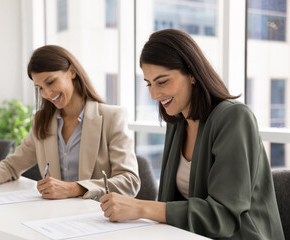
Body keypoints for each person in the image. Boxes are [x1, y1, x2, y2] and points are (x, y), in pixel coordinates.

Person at [100, 29, 284, 240]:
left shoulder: (234, 118)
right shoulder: (177, 122)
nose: (153, 94)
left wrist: (141, 207)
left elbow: (222, 216)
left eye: (162, 81)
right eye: (149, 84)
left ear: (192, 74)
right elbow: (173, 203)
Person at [0, 45, 140, 201]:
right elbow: (13, 165)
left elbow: (130, 182)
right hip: (54, 217)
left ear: (72, 72)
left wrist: (74, 188)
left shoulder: (112, 117)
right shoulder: (43, 121)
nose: (46, 94)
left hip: (97, 218)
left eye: (50, 82)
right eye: (39, 88)